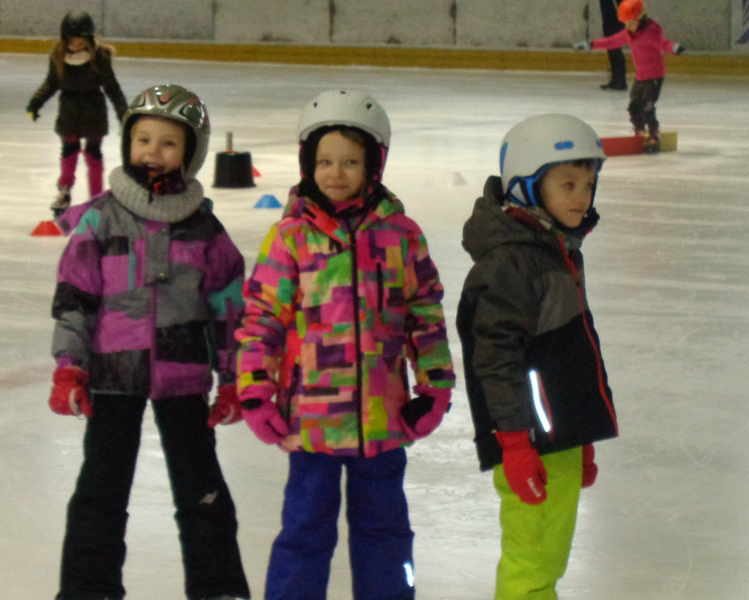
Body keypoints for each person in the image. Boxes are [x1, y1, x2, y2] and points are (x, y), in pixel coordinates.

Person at [235, 89, 455, 600]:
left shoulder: (401, 235)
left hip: (384, 418)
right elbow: (261, 319)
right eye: (325, 161)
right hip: (310, 422)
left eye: (350, 161)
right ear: (307, 164)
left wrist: (435, 387)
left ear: (373, 165)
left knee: (386, 532)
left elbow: (424, 314)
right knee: (304, 532)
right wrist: (254, 391)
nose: (336, 173)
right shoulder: (290, 237)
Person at [48, 83, 251, 600]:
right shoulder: (101, 218)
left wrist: (234, 379)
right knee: (101, 491)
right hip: (113, 374)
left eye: (168, 143)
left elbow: (229, 309)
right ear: (126, 144)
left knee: (202, 492)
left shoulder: (205, 229)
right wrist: (70, 365)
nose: (152, 153)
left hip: (184, 377)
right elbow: (75, 297)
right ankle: (88, 591)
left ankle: (219, 589)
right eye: (143, 140)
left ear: (190, 153)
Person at [456, 113, 619, 600]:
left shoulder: (555, 251)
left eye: (587, 185)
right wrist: (514, 444)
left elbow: (570, 354)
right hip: (528, 441)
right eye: (567, 184)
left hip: (556, 438)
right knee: (531, 562)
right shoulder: (509, 263)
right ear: (526, 186)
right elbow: (496, 362)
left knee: (549, 557)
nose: (581, 197)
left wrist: (581, 433)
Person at [27, 11, 127, 215]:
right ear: (65, 40)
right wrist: (36, 102)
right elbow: (51, 83)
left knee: (94, 154)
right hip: (69, 112)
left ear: (89, 40)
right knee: (69, 151)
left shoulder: (99, 57)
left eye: (81, 43)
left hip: (94, 111)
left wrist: (123, 112)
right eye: (72, 42)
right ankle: (64, 191)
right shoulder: (58, 56)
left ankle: (96, 196)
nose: (76, 47)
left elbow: (111, 87)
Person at [573, 0, 684, 151]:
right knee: (633, 107)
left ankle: (653, 133)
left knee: (647, 106)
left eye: (631, 23)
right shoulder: (629, 34)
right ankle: (640, 130)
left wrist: (674, 48)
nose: (629, 26)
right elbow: (611, 42)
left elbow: (664, 44)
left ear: (641, 18)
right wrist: (591, 44)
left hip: (654, 77)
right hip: (640, 77)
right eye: (626, 23)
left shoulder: (651, 33)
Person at [598, 0, 627, 90]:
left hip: (614, 17)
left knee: (613, 45)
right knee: (612, 45)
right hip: (612, 16)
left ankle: (619, 79)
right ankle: (617, 78)